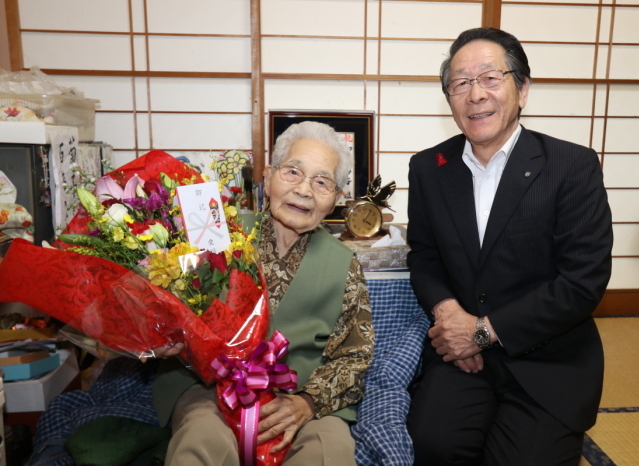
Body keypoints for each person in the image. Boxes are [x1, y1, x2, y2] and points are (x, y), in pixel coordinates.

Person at [405, 27, 613, 465]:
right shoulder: (429, 167)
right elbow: (423, 254)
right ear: (449, 100)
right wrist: (449, 314)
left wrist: (482, 332)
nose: (475, 94)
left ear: (523, 90)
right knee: (432, 444)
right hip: (462, 359)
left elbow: (582, 282)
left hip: (547, 358)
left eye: (490, 78)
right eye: (460, 83)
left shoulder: (572, 166)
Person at [154, 121, 374, 466]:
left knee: (328, 451)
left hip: (298, 398)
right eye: (293, 172)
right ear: (268, 176)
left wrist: (309, 403)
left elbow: (354, 356)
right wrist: (163, 336)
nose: (304, 190)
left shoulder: (344, 264)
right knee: (201, 442)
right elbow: (167, 301)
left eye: (322, 182)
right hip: (209, 387)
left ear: (336, 199)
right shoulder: (216, 228)